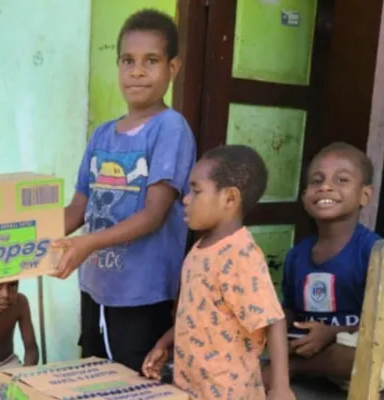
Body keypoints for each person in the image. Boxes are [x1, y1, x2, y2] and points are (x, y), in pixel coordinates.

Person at [52, 9, 195, 371]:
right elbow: (77, 210)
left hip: (142, 293)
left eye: (151, 61)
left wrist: (85, 243)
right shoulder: (102, 134)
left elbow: (153, 215)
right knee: (92, 375)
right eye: (127, 61)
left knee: (134, 381)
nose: (137, 71)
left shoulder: (170, 129)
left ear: (172, 68)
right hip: (95, 286)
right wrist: (22, 240)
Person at [142, 145, 294, 399]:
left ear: (230, 199)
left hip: (230, 392)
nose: (186, 199)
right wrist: (164, 343)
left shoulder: (240, 255)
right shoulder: (200, 249)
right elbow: (196, 314)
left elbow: (273, 320)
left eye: (196, 190)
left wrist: (280, 387)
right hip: (193, 387)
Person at [268, 142, 383, 390]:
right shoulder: (297, 254)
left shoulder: (374, 251)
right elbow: (290, 309)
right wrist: (272, 329)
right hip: (307, 345)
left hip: (348, 351)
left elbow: (379, 322)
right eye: (317, 181)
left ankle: (294, 369)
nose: (326, 187)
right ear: (305, 195)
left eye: (341, 180)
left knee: (365, 355)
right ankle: (291, 365)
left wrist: (331, 332)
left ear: (365, 195)